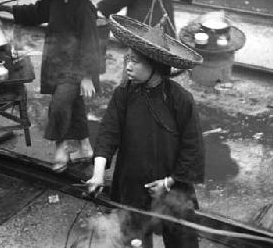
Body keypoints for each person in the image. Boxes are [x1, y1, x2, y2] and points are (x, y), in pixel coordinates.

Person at [86, 15, 205, 248]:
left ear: (155, 66)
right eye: (128, 59)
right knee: (134, 241)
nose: (128, 66)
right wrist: (99, 173)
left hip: (173, 188)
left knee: (183, 240)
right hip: (132, 185)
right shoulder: (125, 94)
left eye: (135, 61)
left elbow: (193, 149)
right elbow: (108, 133)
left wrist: (169, 183)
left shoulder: (180, 100)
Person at [0, 0, 111, 172]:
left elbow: (90, 41)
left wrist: (86, 76)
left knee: (58, 105)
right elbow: (36, 13)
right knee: (73, 105)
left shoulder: (82, 6)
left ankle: (61, 148)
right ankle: (85, 149)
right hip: (57, 62)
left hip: (77, 67)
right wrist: (7, 9)